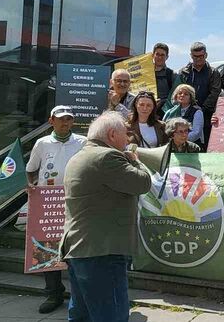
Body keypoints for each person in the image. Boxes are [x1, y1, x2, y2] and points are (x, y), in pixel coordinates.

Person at [59, 111, 151, 322]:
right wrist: (135, 161)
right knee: (111, 315)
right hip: (102, 251)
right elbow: (142, 183)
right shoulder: (107, 156)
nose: (128, 140)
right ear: (111, 135)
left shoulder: (79, 156)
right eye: (125, 134)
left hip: (81, 248)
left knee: (82, 314)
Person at [25, 105, 86, 314]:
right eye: (61, 119)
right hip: (47, 202)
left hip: (75, 202)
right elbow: (31, 170)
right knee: (47, 247)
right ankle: (53, 293)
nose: (65, 123)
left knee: (76, 248)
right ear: (51, 121)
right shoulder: (42, 143)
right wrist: (31, 185)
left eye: (68, 119)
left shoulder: (82, 142)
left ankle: (80, 295)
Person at [180, 42, 221, 143]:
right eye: (195, 56)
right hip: (186, 114)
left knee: (205, 143)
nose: (198, 59)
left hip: (207, 115)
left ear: (206, 55)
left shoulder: (213, 72)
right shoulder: (184, 72)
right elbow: (180, 92)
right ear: (191, 56)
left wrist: (201, 110)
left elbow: (215, 92)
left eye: (201, 56)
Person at [152, 42, 176, 115]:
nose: (159, 57)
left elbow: (175, 96)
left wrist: (162, 102)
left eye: (162, 55)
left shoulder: (172, 74)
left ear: (167, 57)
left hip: (163, 113)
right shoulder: (144, 73)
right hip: (144, 110)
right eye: (157, 54)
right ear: (152, 55)